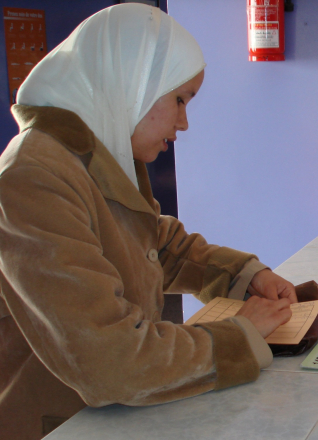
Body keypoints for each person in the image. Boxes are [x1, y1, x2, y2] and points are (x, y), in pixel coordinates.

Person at [0, 5, 297, 439]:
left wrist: (244, 275)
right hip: (60, 426)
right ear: (131, 83)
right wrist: (240, 336)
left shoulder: (99, 156)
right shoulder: (33, 177)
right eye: (179, 100)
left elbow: (159, 247)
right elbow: (108, 360)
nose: (184, 122)